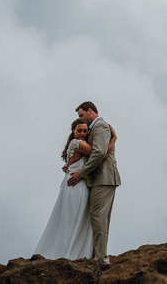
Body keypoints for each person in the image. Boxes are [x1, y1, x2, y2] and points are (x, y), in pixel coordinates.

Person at [34, 118, 116, 260]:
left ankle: (70, 251)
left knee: (72, 219)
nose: (83, 133)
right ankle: (71, 253)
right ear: (73, 131)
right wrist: (113, 139)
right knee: (74, 219)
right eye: (79, 130)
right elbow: (101, 154)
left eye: (85, 131)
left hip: (72, 183)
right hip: (76, 186)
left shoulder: (74, 144)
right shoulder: (78, 143)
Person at [67, 101, 121, 270]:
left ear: (90, 111)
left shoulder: (100, 126)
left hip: (103, 178)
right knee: (97, 218)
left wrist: (82, 173)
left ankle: (101, 260)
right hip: (98, 178)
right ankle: (98, 256)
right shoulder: (95, 129)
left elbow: (99, 153)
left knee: (98, 217)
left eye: (82, 115)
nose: (81, 120)